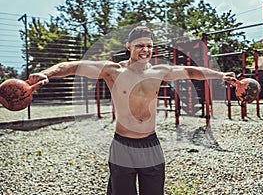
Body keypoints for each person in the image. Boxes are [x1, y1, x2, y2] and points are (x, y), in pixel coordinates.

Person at [27, 26, 235, 195]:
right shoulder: (113, 71)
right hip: (122, 145)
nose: (145, 50)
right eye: (140, 46)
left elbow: (191, 71)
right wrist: (45, 73)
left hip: (151, 144)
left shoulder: (159, 71)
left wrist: (220, 75)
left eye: (149, 46)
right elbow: (71, 66)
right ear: (128, 46)